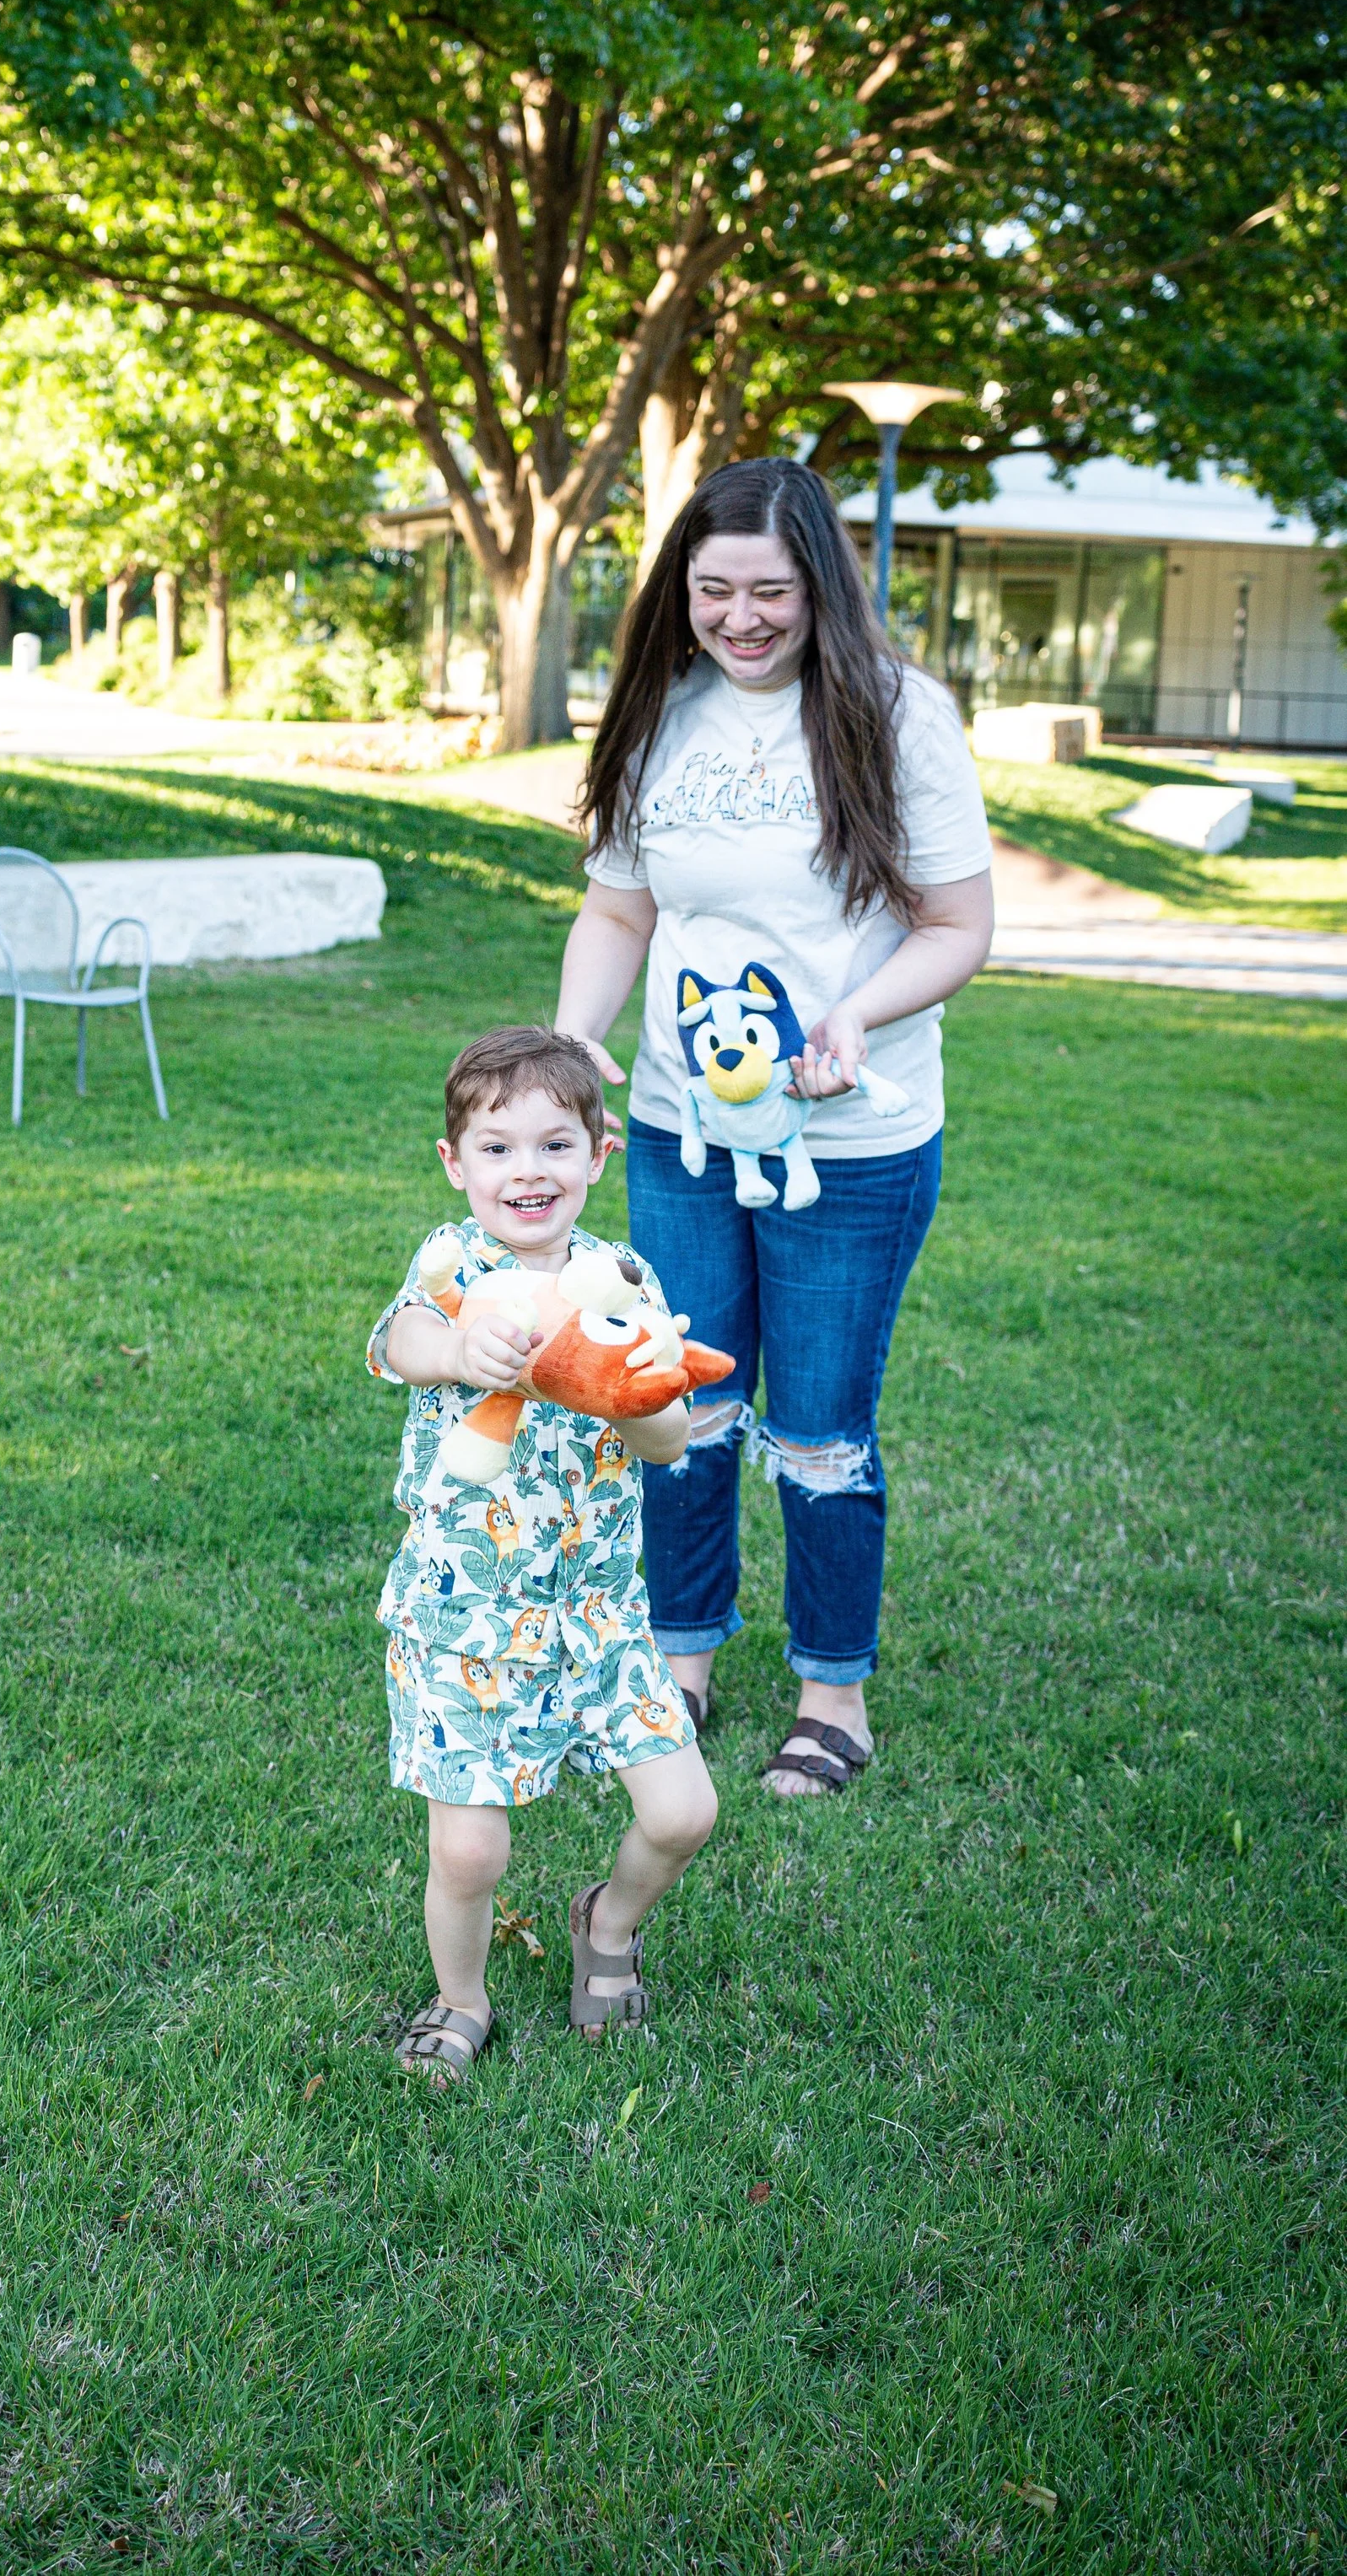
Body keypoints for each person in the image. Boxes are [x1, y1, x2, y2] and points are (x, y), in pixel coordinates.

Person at [554, 455, 994, 1795]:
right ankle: (678, 1670)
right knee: (681, 1404)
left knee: (818, 1424)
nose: (742, 618)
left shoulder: (895, 713)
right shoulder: (656, 713)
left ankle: (830, 1693)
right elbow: (621, 909)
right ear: (678, 593)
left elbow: (960, 925)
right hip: (687, 1135)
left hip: (849, 1143)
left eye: (771, 591)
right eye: (713, 591)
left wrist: (856, 1015)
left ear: (821, 586)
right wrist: (579, 1035)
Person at [369, 1027, 718, 2078]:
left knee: (684, 1812)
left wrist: (632, 1397)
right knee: (470, 1848)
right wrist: (463, 1353)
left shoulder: (622, 1277)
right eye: (498, 1147)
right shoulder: (451, 1265)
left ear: (599, 1153)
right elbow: (395, 1344)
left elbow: (665, 1440)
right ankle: (460, 1998)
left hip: (597, 1611)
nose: (528, 1171)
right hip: (465, 1610)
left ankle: (604, 1926)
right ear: (455, 1163)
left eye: (555, 1145)